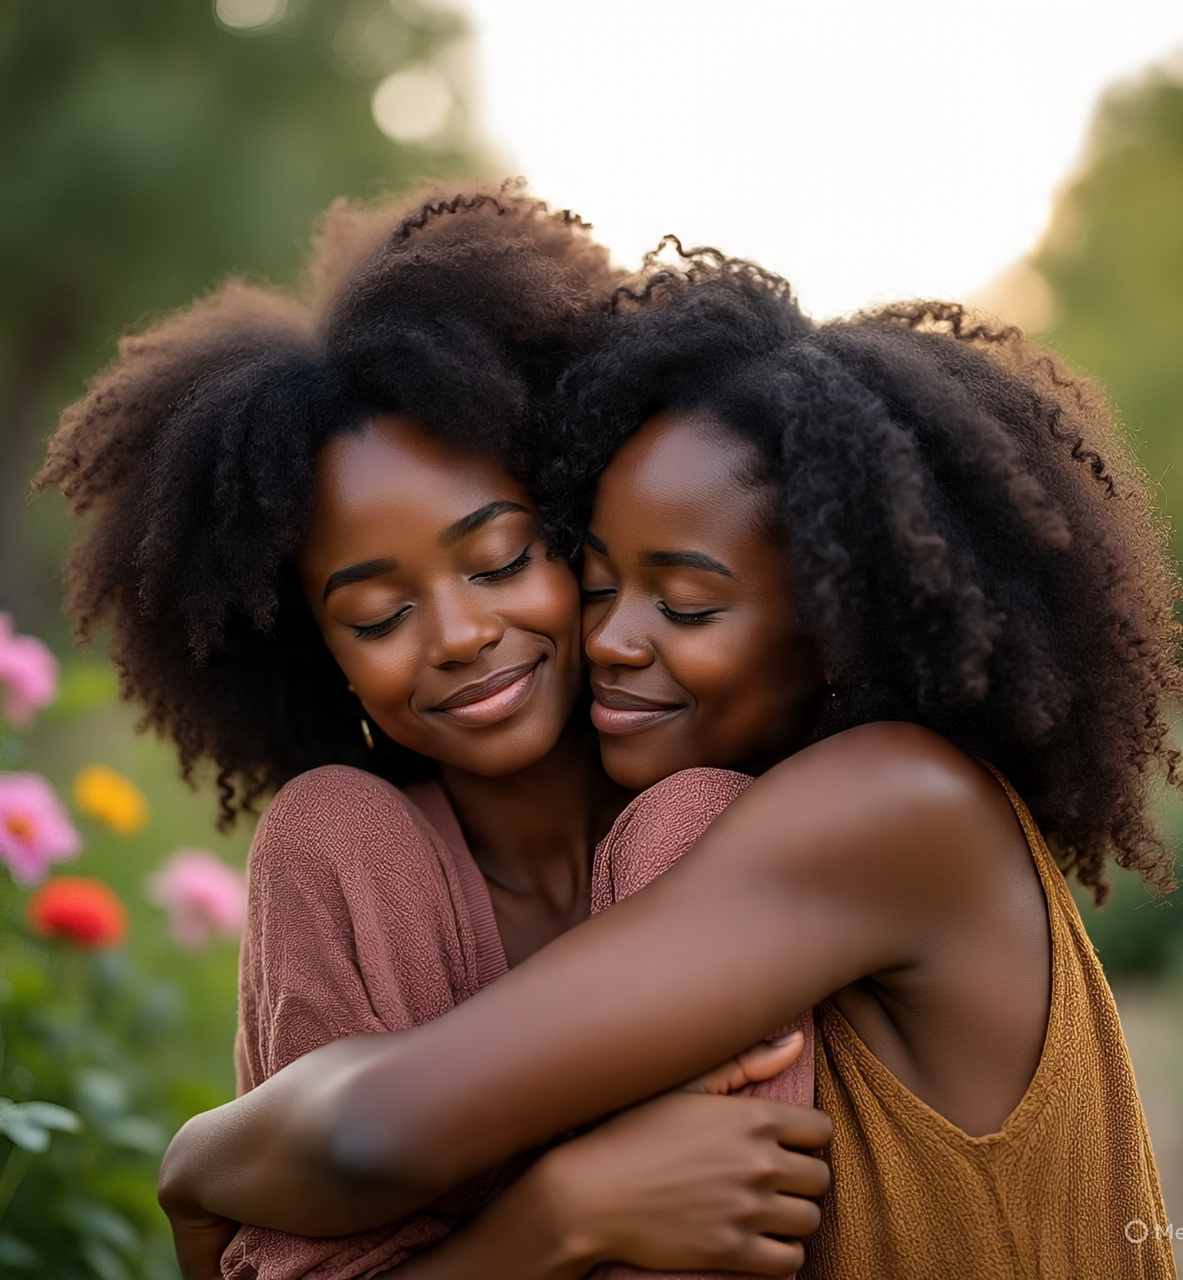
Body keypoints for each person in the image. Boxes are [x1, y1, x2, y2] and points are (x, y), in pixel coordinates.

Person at [155, 250, 1183, 1278]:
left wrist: (204, 1156)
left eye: (686, 603)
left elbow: (372, 1133)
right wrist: (563, 1213)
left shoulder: (889, 804)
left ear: (835, 622)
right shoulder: (374, 853)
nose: (611, 638)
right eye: (598, 581)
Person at [38, 194, 828, 1280]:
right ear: (314, 649)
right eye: (376, 614)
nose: (458, 634)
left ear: (579, 528)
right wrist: (564, 1214)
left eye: (501, 559)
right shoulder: (346, 856)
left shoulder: (720, 816)